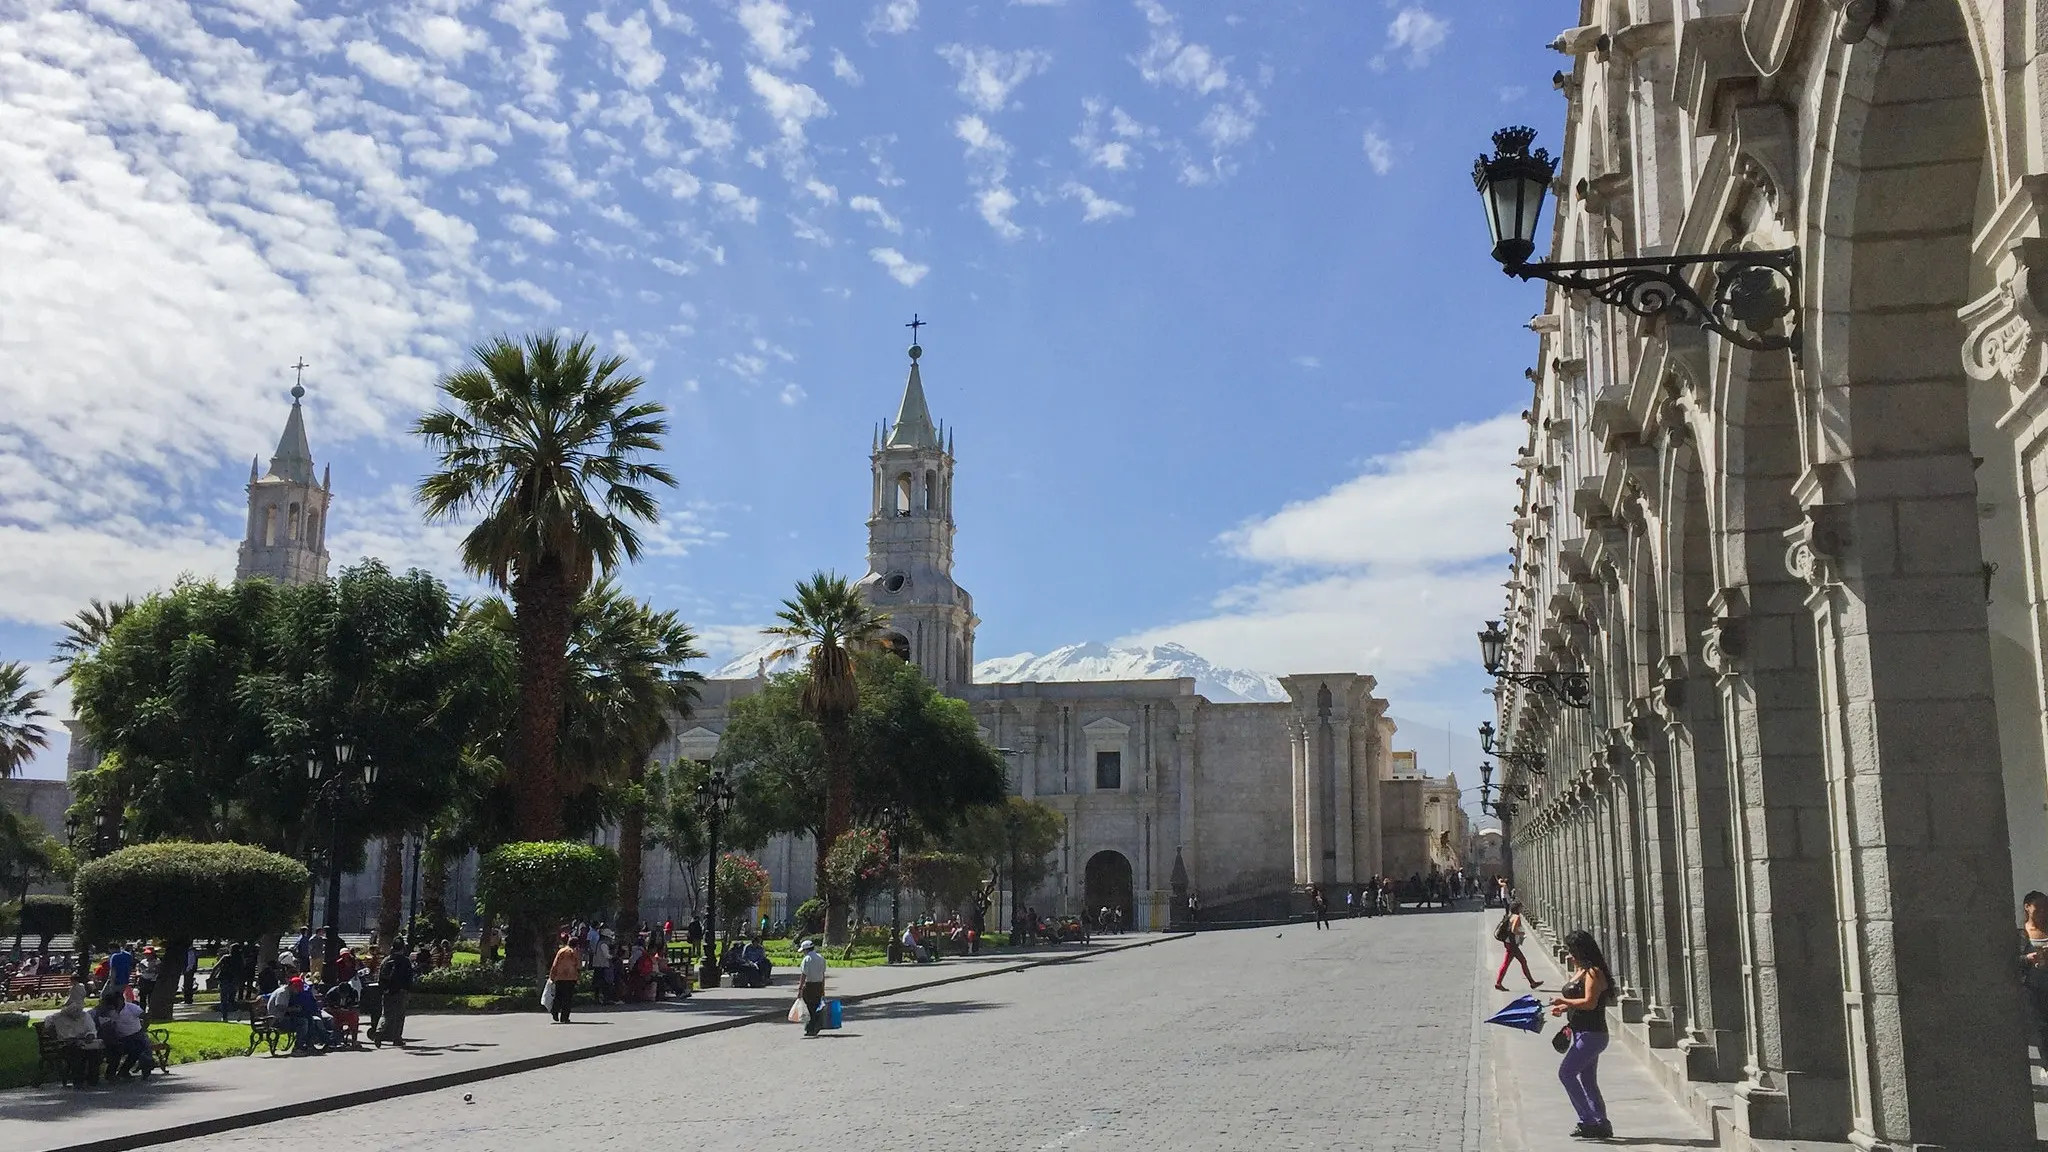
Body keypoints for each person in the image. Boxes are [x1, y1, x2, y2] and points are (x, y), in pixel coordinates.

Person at [1549, 929, 1616, 1139]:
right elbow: (1578, 999)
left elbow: (1589, 1002)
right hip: (1581, 1032)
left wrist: (1565, 1002)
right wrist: (1565, 1008)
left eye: (1571, 949)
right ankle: (1601, 1122)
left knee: (1566, 1073)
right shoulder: (1580, 970)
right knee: (1587, 1079)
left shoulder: (1594, 972)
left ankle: (1588, 1121)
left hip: (1593, 1034)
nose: (1569, 954)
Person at [47, 983, 105, 1087]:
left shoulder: (85, 1016)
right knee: (77, 1052)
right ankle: (78, 1079)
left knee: (95, 1052)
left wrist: (90, 1036)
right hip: (67, 1045)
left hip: (84, 1043)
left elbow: (91, 1030)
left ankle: (92, 1079)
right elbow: (50, 1025)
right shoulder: (58, 1017)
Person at [97, 990, 155, 1077]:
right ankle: (117, 1072)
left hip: (137, 1033)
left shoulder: (132, 1008)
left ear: (122, 1000)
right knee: (117, 1051)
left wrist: (144, 1028)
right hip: (121, 1037)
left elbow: (145, 1016)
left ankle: (145, 1067)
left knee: (143, 1048)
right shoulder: (111, 1011)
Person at [2021, 891, 2048, 1070]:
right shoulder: (2021, 934)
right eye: (2039, 908)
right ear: (2027, 907)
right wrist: (2027, 958)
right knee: (2041, 1029)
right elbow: (2010, 960)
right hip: (2033, 989)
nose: (2043, 912)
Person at [1495, 901, 1542, 992]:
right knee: (1521, 961)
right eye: (1521, 907)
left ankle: (1499, 983)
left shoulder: (1510, 915)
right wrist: (1521, 933)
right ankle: (1531, 982)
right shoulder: (1516, 917)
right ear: (1517, 908)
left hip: (1508, 942)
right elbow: (1513, 930)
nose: (1522, 909)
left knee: (1510, 962)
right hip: (1512, 944)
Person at [377, 937, 413, 1046]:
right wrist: (409, 990)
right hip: (401, 992)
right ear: (402, 948)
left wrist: (383, 989)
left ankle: (379, 1030)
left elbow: (380, 977)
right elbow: (409, 977)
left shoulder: (386, 960)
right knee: (399, 1016)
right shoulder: (405, 961)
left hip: (388, 991)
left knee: (385, 1014)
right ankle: (397, 1038)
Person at [796, 939, 827, 1038]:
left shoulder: (807, 959)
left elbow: (804, 975)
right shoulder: (821, 958)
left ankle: (811, 1027)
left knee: (809, 1007)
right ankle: (814, 1026)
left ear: (806, 950)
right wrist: (823, 988)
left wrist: (800, 988)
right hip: (818, 985)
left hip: (809, 986)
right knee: (816, 1005)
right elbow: (822, 974)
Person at [549, 935, 580, 1024]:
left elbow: (555, 964)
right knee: (567, 998)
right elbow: (578, 966)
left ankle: (554, 1010)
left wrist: (552, 975)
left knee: (558, 995)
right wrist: (578, 977)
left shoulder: (561, 951)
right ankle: (564, 1017)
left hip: (560, 976)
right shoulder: (575, 952)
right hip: (571, 977)